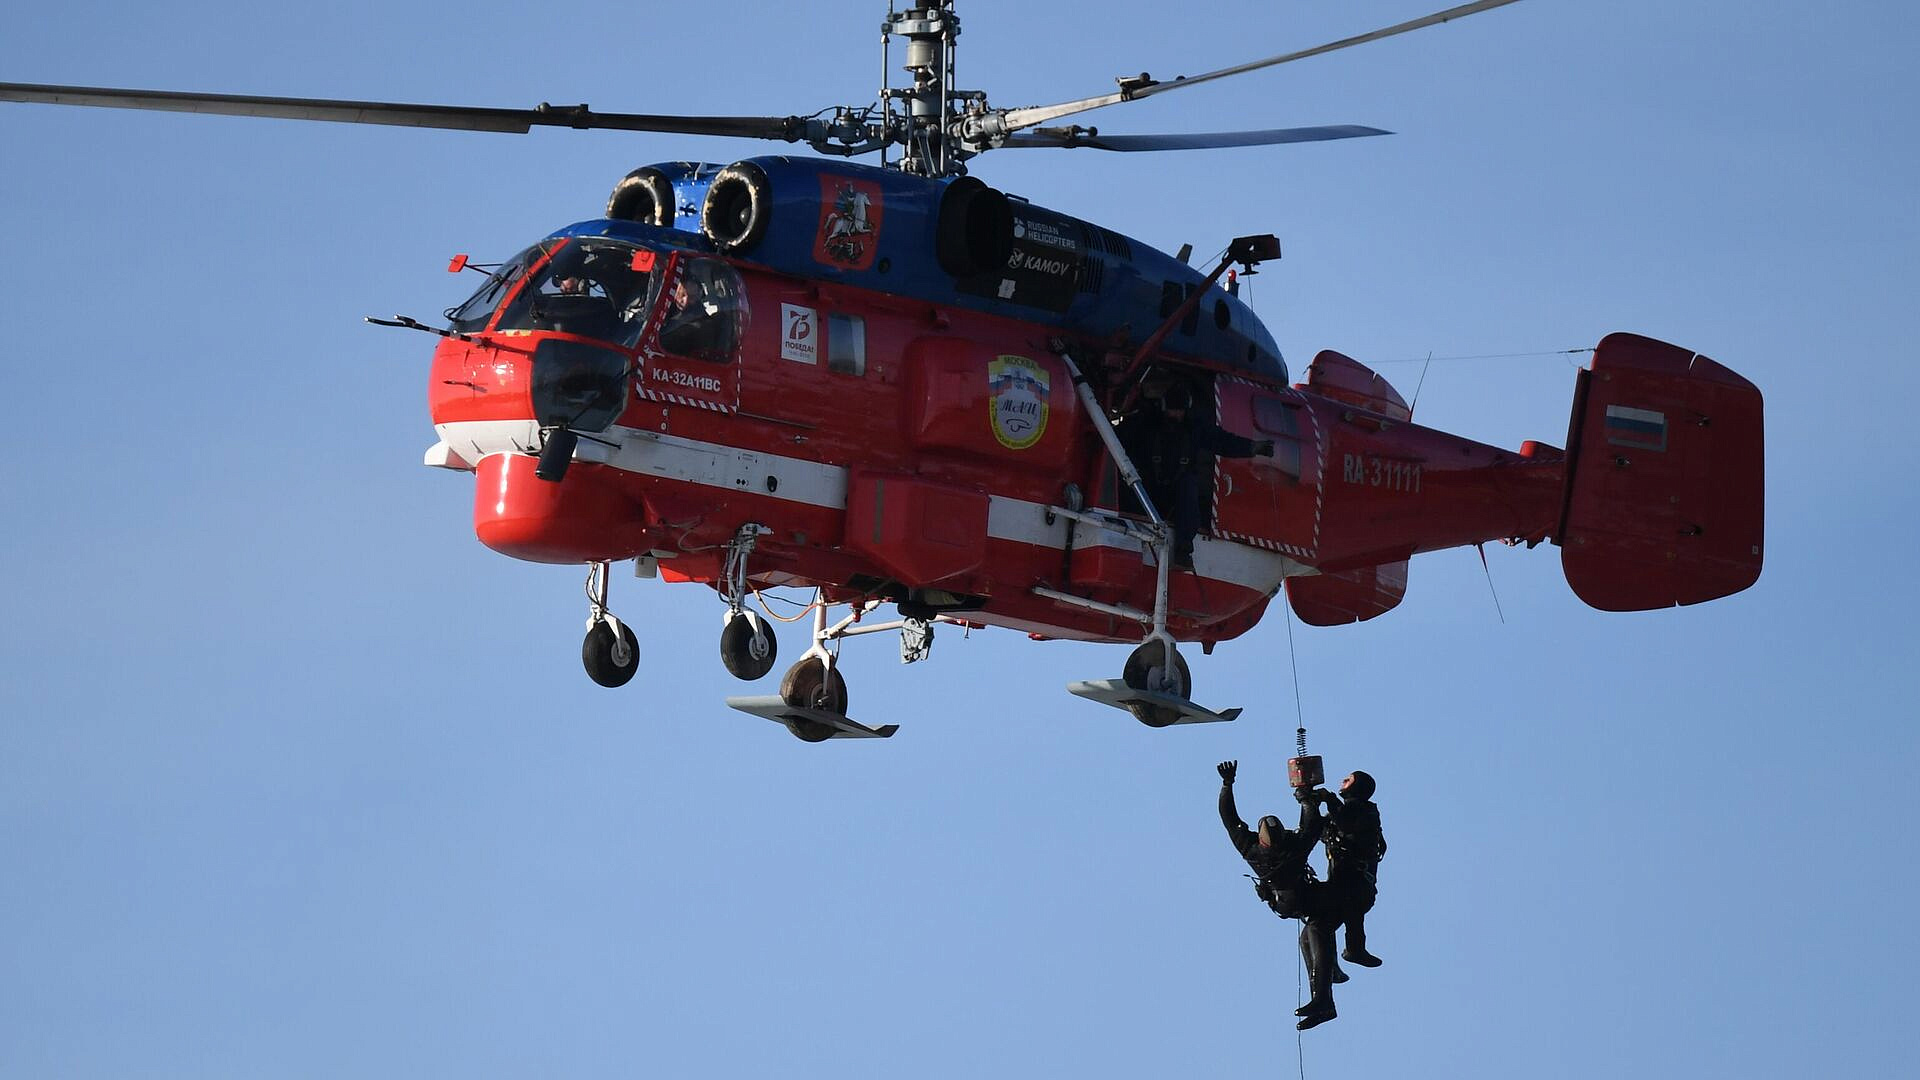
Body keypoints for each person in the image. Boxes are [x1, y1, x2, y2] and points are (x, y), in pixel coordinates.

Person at [1217, 760, 1341, 1030]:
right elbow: (1311, 824)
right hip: (1308, 898)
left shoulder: (1250, 850)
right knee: (1320, 924)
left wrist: (1227, 785)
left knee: (1308, 937)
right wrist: (1306, 797)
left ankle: (1326, 985)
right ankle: (1324, 994)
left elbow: (1229, 819)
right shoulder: (1294, 847)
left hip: (1283, 904)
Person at [1119, 382, 1275, 570]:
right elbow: (1123, 436)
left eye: (1179, 411)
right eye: (1172, 410)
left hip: (1177, 492)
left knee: (1189, 487)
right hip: (1147, 487)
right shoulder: (1148, 424)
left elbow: (1223, 441)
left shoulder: (1195, 428)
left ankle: (1183, 553)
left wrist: (1253, 448)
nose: (1175, 415)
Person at [1316, 770, 1387, 968]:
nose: (1343, 781)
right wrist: (1311, 805)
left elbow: (1346, 822)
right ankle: (1335, 964)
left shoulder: (1365, 812)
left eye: (1349, 780)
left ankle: (1354, 950)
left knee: (1351, 915)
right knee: (1324, 926)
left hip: (1355, 882)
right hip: (1341, 880)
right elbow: (1319, 829)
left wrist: (1328, 799)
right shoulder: (1341, 813)